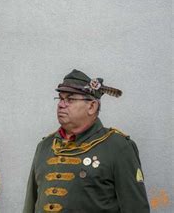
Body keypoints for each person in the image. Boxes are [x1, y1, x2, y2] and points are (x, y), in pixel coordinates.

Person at [23, 69, 150, 213]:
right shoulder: (45, 146)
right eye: (60, 98)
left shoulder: (117, 147)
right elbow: (30, 205)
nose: (61, 104)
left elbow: (136, 208)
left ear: (91, 106)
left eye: (70, 99)